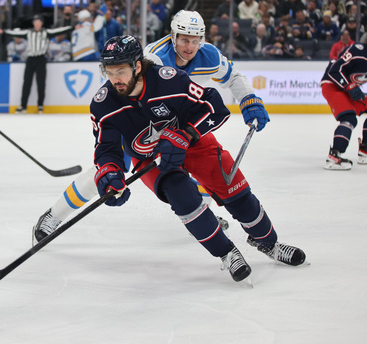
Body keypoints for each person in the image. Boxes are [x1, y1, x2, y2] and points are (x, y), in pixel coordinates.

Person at [32, 10, 271, 248]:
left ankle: (202, 214)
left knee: (197, 164)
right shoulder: (155, 58)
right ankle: (54, 215)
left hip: (177, 120)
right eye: (184, 39)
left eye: (195, 40)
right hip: (141, 125)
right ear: (173, 36)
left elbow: (232, 77)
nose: (189, 46)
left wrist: (248, 99)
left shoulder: (209, 55)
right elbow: (129, 92)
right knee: (106, 174)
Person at [90, 35, 305, 283]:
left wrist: (186, 134)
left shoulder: (168, 80)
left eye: (121, 71)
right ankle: (227, 253)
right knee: (183, 197)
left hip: (192, 141)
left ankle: (269, 243)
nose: (115, 78)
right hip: (148, 157)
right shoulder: (103, 103)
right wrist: (109, 174)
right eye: (109, 71)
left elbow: (215, 106)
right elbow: (106, 149)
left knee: (236, 192)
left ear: (137, 66)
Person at [11, 15, 72, 114]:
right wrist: (4, 32)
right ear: (33, 23)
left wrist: (72, 27)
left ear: (42, 23)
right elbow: (15, 33)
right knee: (26, 83)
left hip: (41, 59)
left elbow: (59, 31)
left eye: (39, 22)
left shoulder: (46, 32)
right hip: (30, 59)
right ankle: (23, 106)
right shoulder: (28, 32)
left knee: (41, 83)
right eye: (35, 22)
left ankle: (40, 105)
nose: (37, 24)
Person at [320, 43, 367, 170]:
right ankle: (334, 155)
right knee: (349, 119)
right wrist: (350, 86)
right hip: (332, 85)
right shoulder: (359, 50)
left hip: (347, 88)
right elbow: (335, 70)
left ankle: (365, 150)